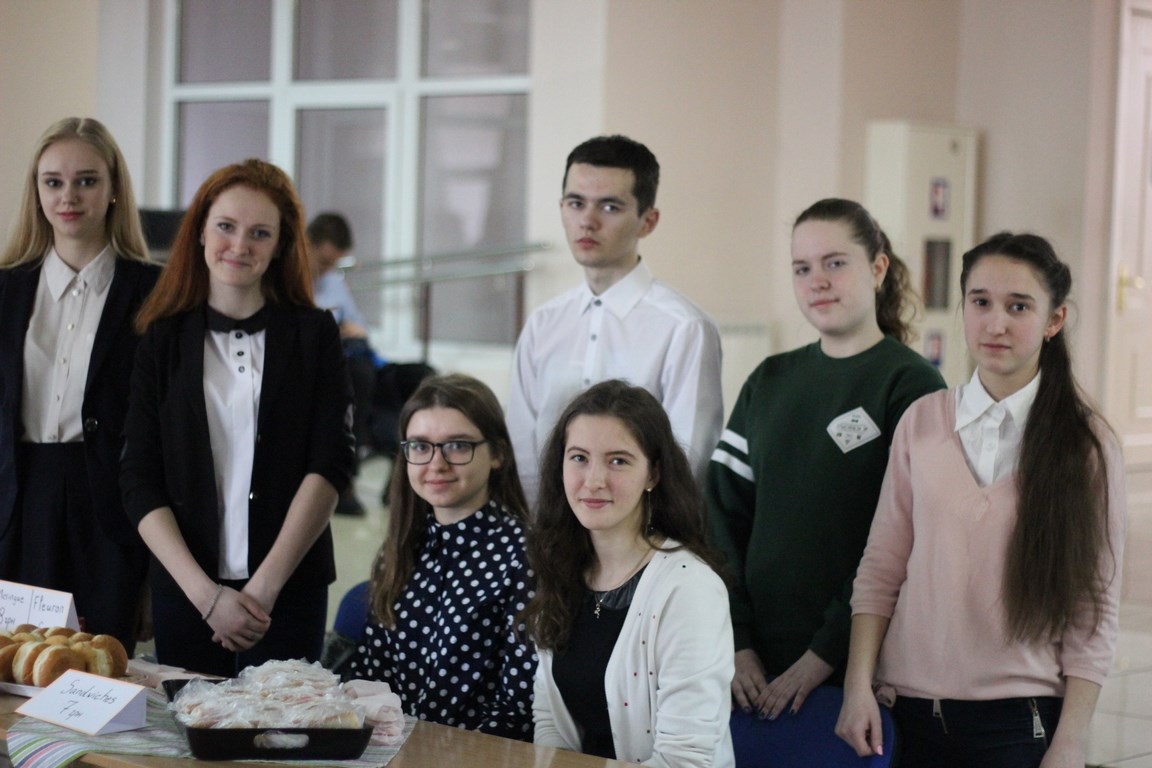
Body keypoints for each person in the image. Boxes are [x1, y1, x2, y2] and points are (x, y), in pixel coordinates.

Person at [837, 232, 1127, 767]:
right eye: (981, 302)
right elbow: (881, 567)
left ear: (1054, 320)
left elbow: (1094, 605)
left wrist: (1070, 741)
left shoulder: (1086, 445)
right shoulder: (921, 422)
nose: (996, 324)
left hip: (1020, 723)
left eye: (1019, 307)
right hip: (906, 713)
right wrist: (858, 687)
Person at [706, 198, 946, 719]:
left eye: (835, 263)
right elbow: (721, 517)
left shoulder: (912, 385)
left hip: (858, 665)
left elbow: (907, 538)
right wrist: (736, 639)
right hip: (753, 664)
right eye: (802, 268)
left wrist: (824, 655)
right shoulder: (768, 381)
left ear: (878, 268)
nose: (817, 281)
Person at [121, 158, 355, 676]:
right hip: (187, 593)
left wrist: (263, 590)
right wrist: (206, 597)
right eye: (226, 226)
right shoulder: (161, 339)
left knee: (286, 726)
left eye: (259, 233)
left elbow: (331, 463)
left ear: (280, 245)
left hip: (287, 592)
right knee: (188, 729)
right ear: (200, 231)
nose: (239, 245)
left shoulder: (315, 334)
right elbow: (138, 477)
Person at [0, 117, 159, 652]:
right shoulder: (6, 290)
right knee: (16, 671)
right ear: (37, 191)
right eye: (54, 182)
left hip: (110, 514)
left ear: (113, 189)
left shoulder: (154, 293)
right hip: (18, 505)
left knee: (98, 670)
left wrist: (153, 574)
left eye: (86, 180)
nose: (68, 196)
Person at [525, 380, 734, 767]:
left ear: (653, 474)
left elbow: (684, 761)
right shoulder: (563, 566)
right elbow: (550, 721)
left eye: (618, 461)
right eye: (579, 457)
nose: (593, 480)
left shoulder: (690, 589)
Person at [507, 135, 723, 507]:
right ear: (562, 208)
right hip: (549, 529)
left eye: (609, 207)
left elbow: (688, 463)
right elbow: (523, 452)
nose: (587, 221)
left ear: (648, 221)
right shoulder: (542, 324)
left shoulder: (684, 328)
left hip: (644, 533)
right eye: (576, 203)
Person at [347, 374, 535, 740]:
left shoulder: (525, 556)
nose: (436, 463)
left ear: (497, 454)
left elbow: (518, 707)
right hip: (391, 750)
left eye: (458, 446)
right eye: (420, 446)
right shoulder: (401, 548)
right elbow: (370, 681)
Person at [307, 212, 375, 516]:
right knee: (356, 379)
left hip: (343, 359)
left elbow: (359, 325)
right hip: (313, 364)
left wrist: (354, 331)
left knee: (414, 377)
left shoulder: (332, 283)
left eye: (334, 264)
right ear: (306, 245)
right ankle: (341, 481)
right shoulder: (286, 280)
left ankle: (350, 476)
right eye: (324, 261)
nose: (327, 270)